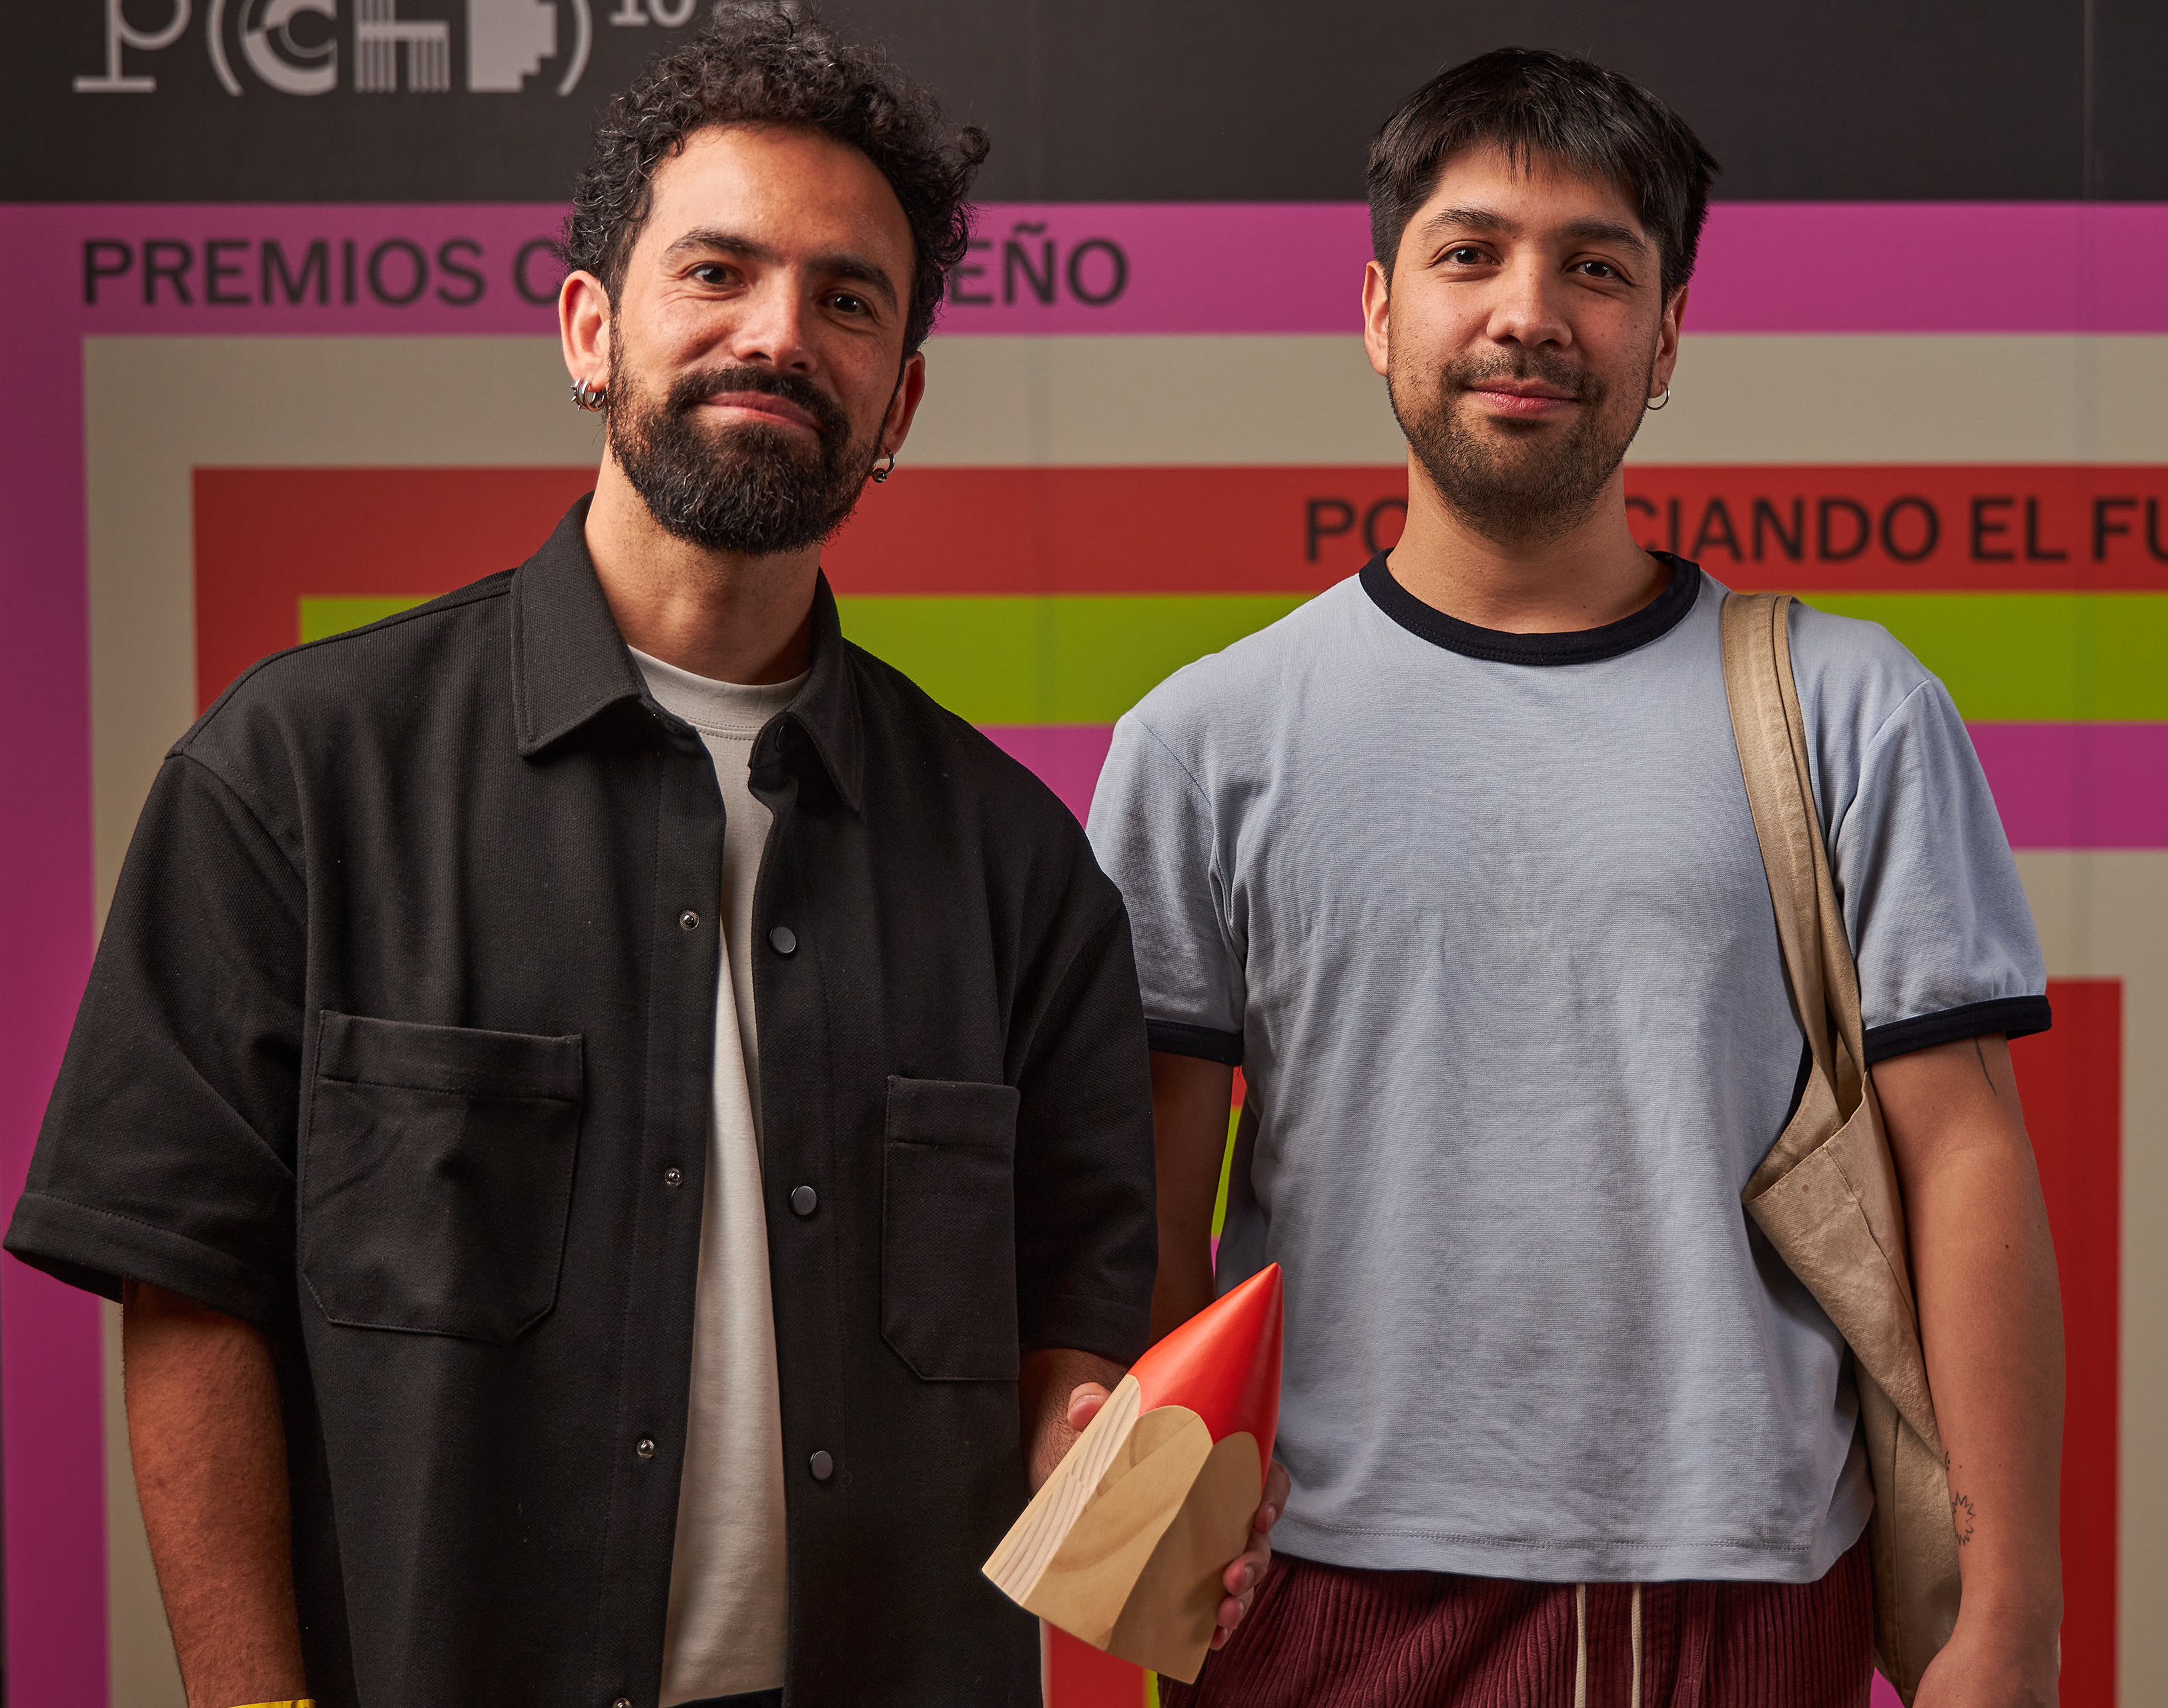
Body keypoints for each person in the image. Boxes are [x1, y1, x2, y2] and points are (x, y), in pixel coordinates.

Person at [7, 10, 1281, 1705]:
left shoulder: (1018, 866)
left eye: (848, 301)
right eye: (717, 273)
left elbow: (1071, 1335)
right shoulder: (299, 774)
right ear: (591, 331)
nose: (780, 335)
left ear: (898, 402)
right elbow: (185, 1292)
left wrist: (1121, 1481)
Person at [1086, 47, 2065, 1708]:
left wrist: (2010, 1610)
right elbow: (1152, 1214)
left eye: (1596, 268)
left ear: (1665, 340)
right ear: (1378, 309)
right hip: (1316, 1598)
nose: (1528, 313)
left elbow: (1963, 1156)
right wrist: (1173, 1568)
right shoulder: (1205, 743)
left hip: (1741, 1591)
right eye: (1470, 254)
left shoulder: (1850, 708)